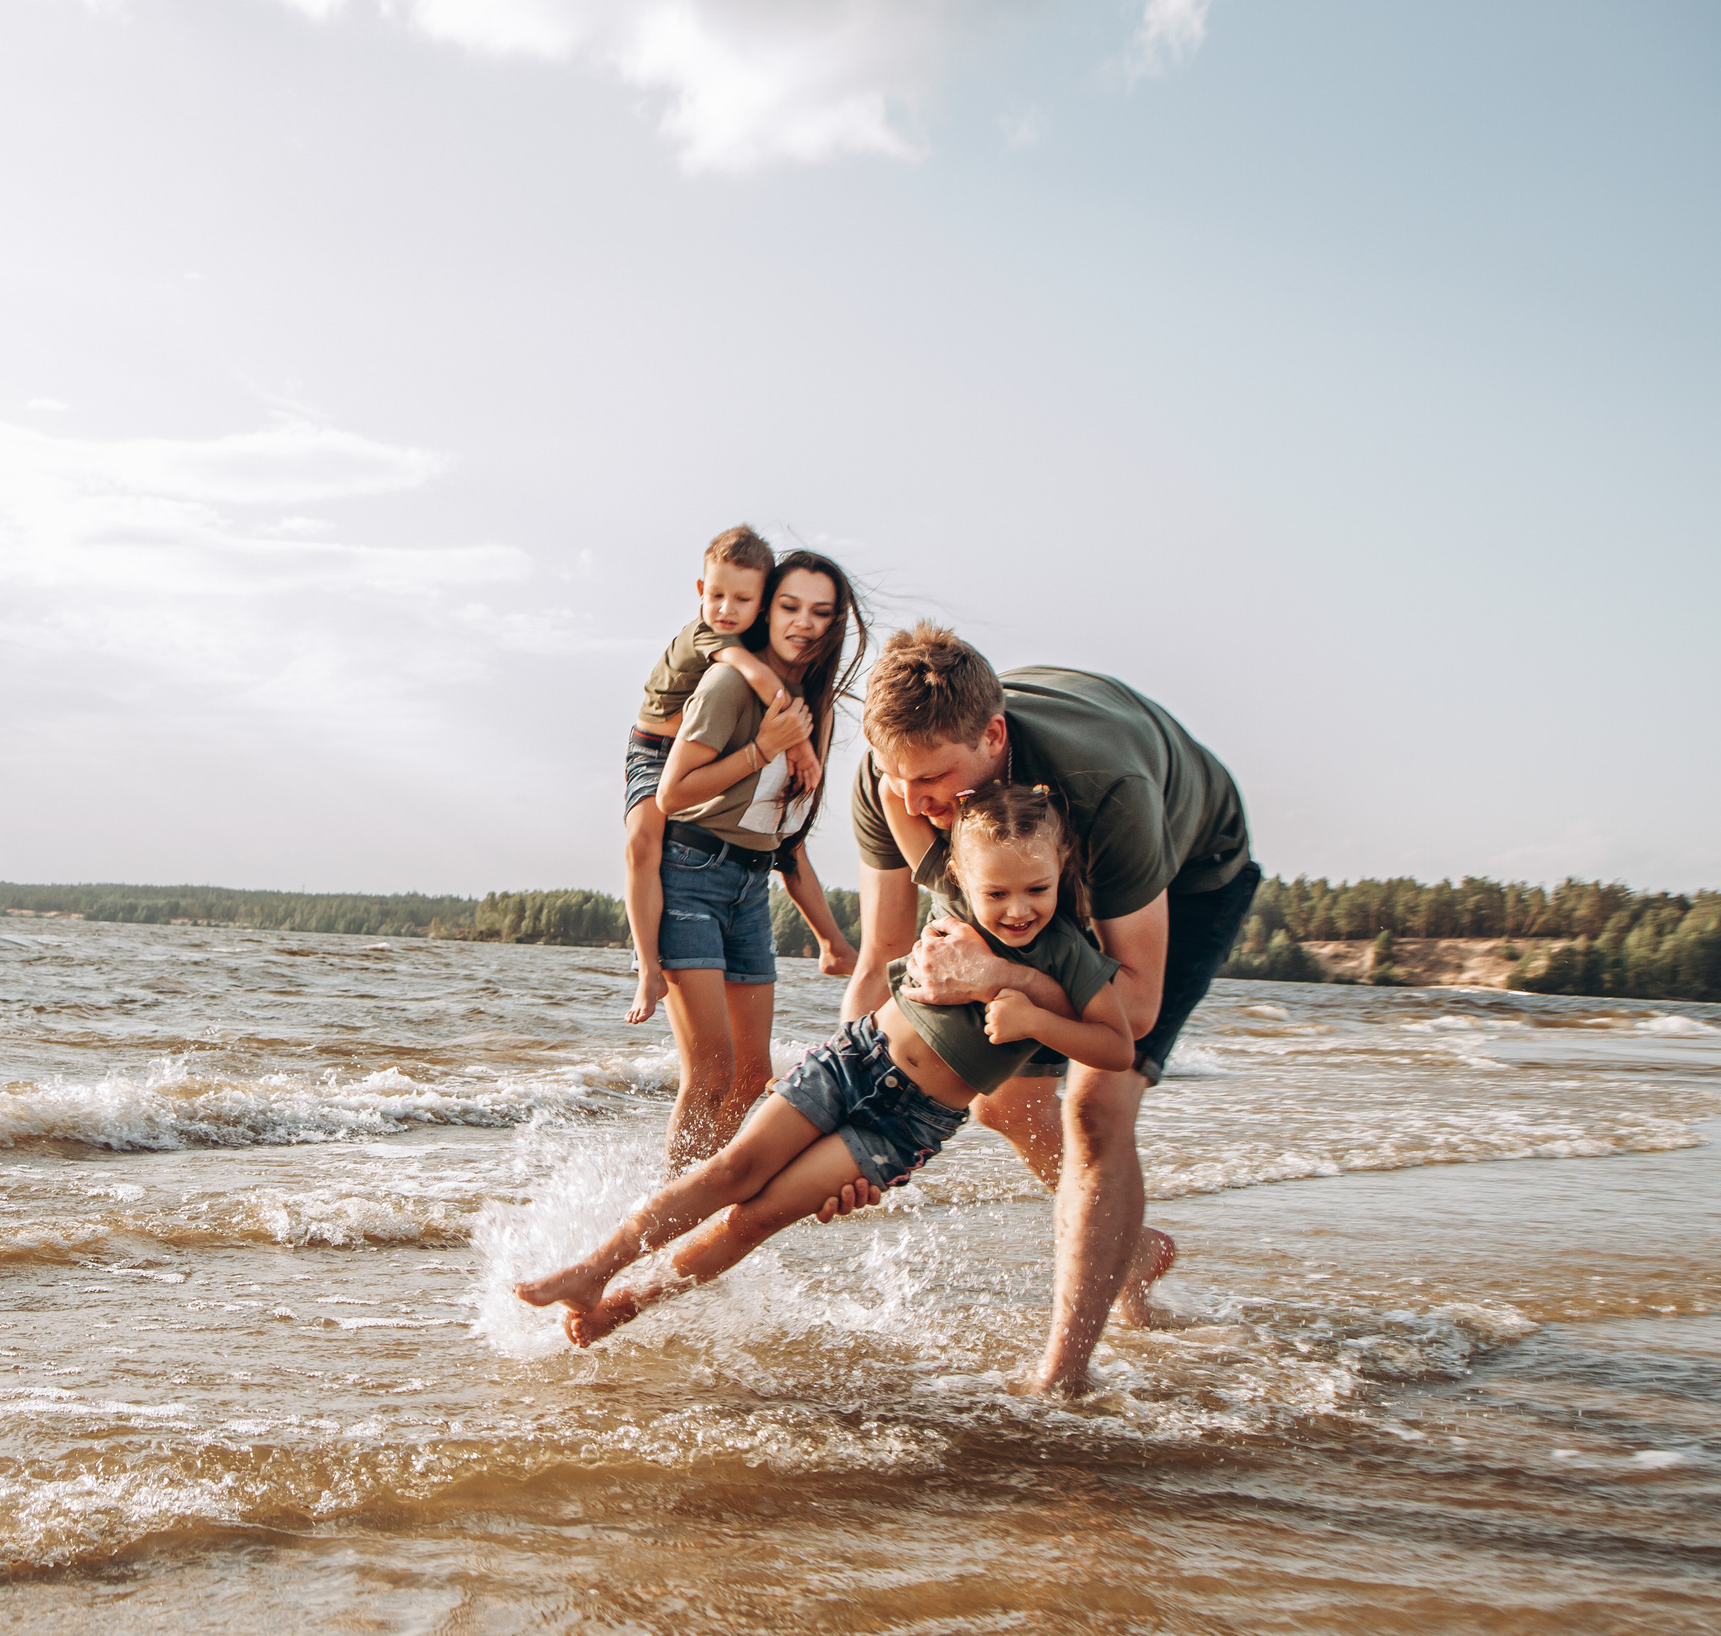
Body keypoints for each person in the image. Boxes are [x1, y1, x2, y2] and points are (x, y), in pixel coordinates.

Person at [518, 781, 1132, 1346]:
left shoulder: (1066, 954)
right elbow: (896, 791)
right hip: (854, 1059)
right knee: (732, 1168)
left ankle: (627, 1305)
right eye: (996, 893)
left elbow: (1116, 1045)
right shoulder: (957, 904)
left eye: (1037, 889)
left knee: (753, 1219)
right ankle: (593, 1271)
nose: (1017, 909)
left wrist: (1034, 1022)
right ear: (961, 879)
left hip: (902, 1125)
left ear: (1060, 872)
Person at [834, 624, 1257, 1396]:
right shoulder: (896, 783)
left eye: (934, 778)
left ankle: (1063, 1375)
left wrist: (1000, 973)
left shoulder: (1107, 790)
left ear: (993, 737)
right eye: (899, 778)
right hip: (1021, 868)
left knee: (1095, 1109)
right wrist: (847, 1116)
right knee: (1005, 1102)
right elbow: (881, 958)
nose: (917, 800)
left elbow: (1130, 1007)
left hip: (1188, 872)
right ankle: (1124, 1246)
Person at [648, 549, 864, 1172]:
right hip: (691, 875)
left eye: (820, 612)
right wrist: (764, 746)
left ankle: (693, 1200)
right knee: (711, 1074)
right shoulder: (728, 685)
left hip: (750, 887)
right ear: (765, 610)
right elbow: (673, 794)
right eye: (789, 607)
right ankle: (665, 1216)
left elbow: (785, 839)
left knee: (750, 1079)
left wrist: (834, 939)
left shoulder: (813, 702)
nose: (803, 623)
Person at [621, 526, 820, 1026]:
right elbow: (757, 677)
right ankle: (648, 967)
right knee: (643, 844)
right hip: (654, 750)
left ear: (762, 601)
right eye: (715, 595)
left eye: (741, 598)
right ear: (699, 591)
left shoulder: (750, 632)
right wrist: (799, 748)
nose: (725, 608)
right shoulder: (712, 635)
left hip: (697, 753)